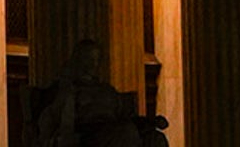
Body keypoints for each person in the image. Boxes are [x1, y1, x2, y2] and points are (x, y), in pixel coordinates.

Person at [34, 39, 168, 147]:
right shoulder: (68, 89)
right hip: (88, 135)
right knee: (125, 133)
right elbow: (54, 118)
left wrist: (150, 121)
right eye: (89, 59)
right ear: (79, 59)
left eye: (96, 60)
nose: (93, 64)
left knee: (155, 138)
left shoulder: (107, 90)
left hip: (113, 130)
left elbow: (128, 117)